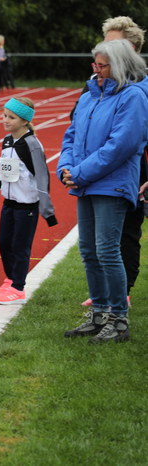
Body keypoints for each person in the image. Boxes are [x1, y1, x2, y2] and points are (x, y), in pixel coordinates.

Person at [59, 39, 148, 344]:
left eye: (102, 65)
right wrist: (66, 168)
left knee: (108, 250)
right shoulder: (89, 96)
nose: (95, 70)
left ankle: (119, 320)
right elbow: (71, 135)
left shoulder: (133, 96)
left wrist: (80, 173)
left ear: (119, 65)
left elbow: (120, 146)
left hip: (112, 183)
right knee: (89, 251)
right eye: (94, 64)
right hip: (86, 182)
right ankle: (98, 313)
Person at [0, 98, 57, 305]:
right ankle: (10, 279)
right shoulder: (7, 140)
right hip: (9, 202)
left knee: (20, 246)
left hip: (27, 204)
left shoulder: (32, 144)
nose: (6, 120)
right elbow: (5, 166)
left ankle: (18, 288)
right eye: (5, 116)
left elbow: (42, 175)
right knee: (3, 242)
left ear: (25, 121)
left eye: (11, 117)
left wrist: (47, 210)